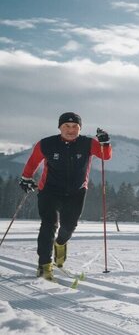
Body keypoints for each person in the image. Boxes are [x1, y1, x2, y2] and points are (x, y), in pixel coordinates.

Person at [19, 112, 112, 280]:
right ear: (60, 127)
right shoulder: (46, 143)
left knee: (69, 226)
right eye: (66, 126)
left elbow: (105, 155)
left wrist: (105, 142)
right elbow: (33, 161)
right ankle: (44, 265)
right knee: (48, 225)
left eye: (75, 126)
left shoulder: (87, 143)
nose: (70, 130)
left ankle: (60, 243)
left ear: (80, 128)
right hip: (49, 190)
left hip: (76, 192)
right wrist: (26, 178)